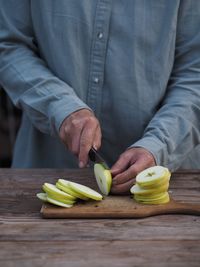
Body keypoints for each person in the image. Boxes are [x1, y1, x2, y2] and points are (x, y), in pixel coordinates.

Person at [0, 1, 200, 194]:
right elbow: (8, 46)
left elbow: (195, 74)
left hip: (170, 186)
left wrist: (159, 146)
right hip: (45, 176)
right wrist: (60, 106)